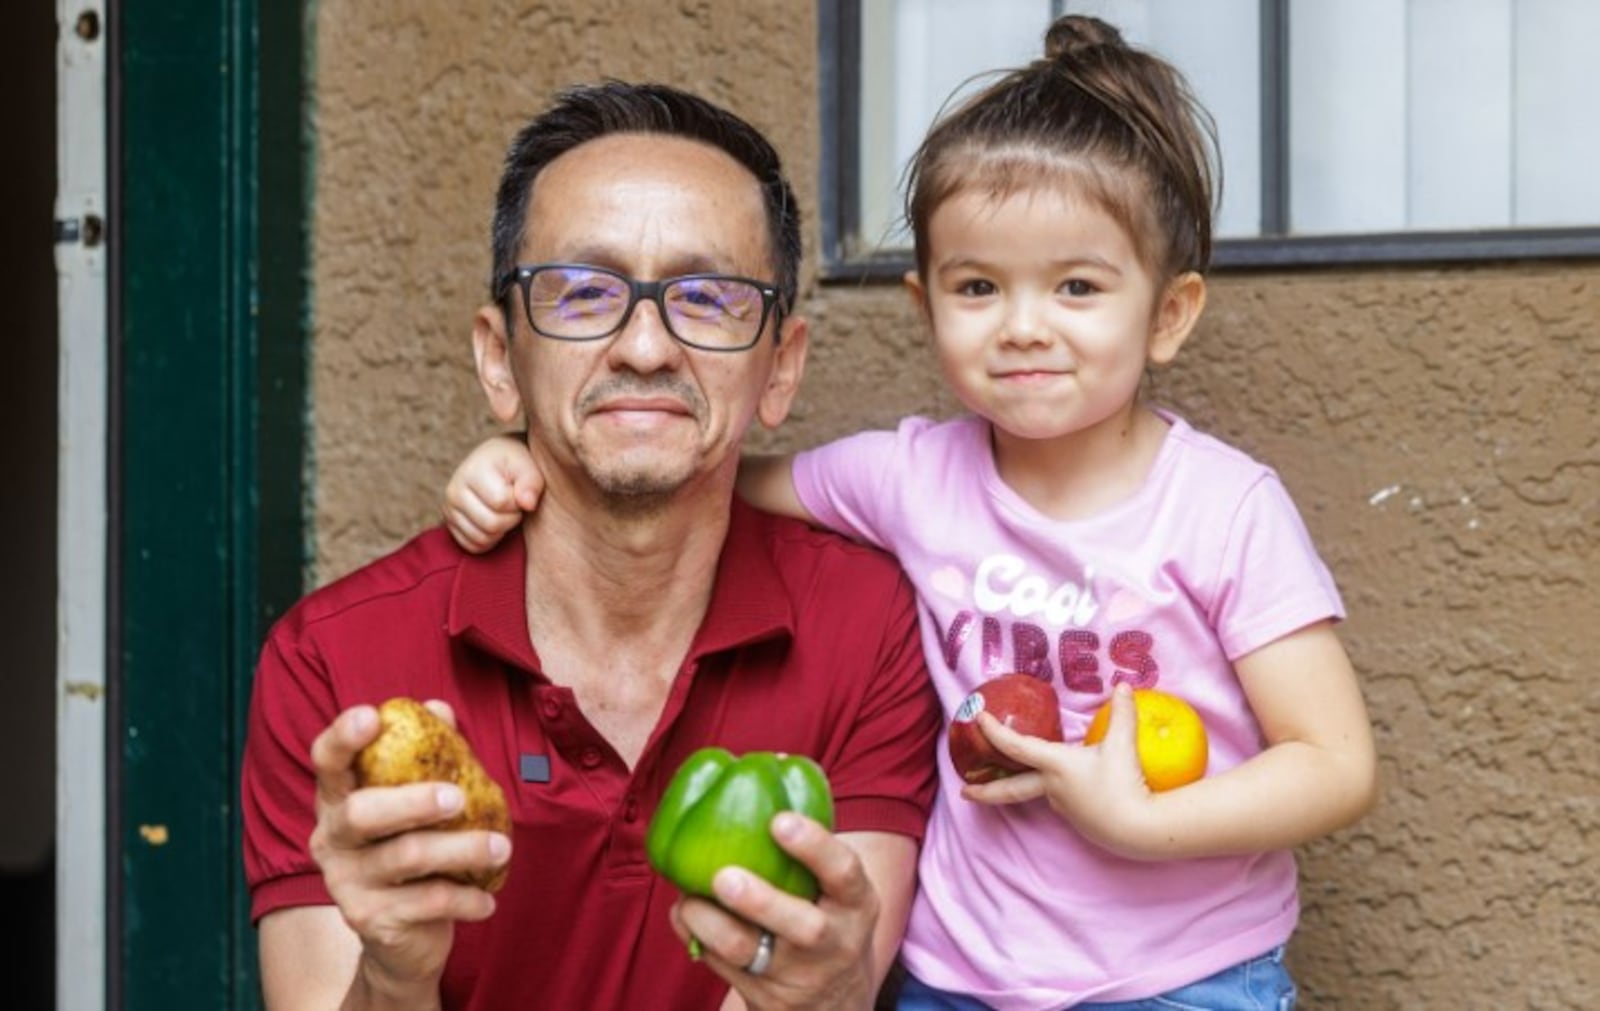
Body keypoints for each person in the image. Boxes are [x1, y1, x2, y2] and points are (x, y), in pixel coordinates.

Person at [443, 16, 1380, 1011]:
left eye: (1076, 286)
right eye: (977, 286)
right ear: (923, 304)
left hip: (1183, 978)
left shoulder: (1223, 508)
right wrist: (521, 457)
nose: (1024, 325)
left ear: (1169, 314)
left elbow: (1333, 765)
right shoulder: (908, 478)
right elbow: (706, 470)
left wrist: (1138, 824)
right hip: (954, 980)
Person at [240, 80, 944, 1011]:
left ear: (780, 367)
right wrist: (395, 972)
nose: (646, 346)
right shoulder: (335, 664)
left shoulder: (868, 624)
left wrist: (819, 994)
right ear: (501, 361)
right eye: (580, 293)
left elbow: (804, 984)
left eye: (707, 295)